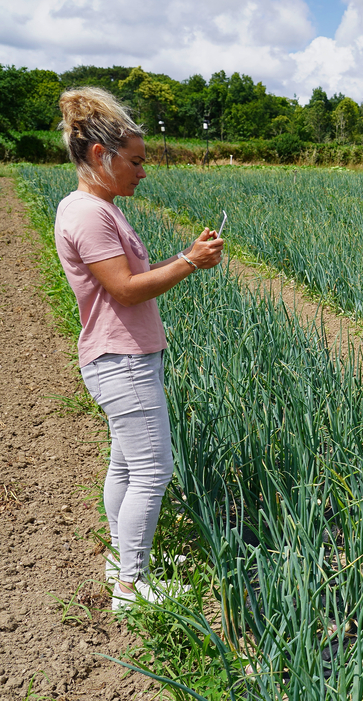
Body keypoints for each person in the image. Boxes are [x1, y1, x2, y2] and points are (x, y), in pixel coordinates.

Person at [54, 87, 224, 611]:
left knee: (127, 468)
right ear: (102, 156)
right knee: (153, 471)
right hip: (120, 360)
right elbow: (125, 289)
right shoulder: (87, 214)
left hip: (122, 357)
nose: (143, 172)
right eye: (135, 161)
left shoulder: (98, 207)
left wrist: (184, 258)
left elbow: (128, 281)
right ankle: (130, 587)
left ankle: (120, 566)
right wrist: (190, 262)